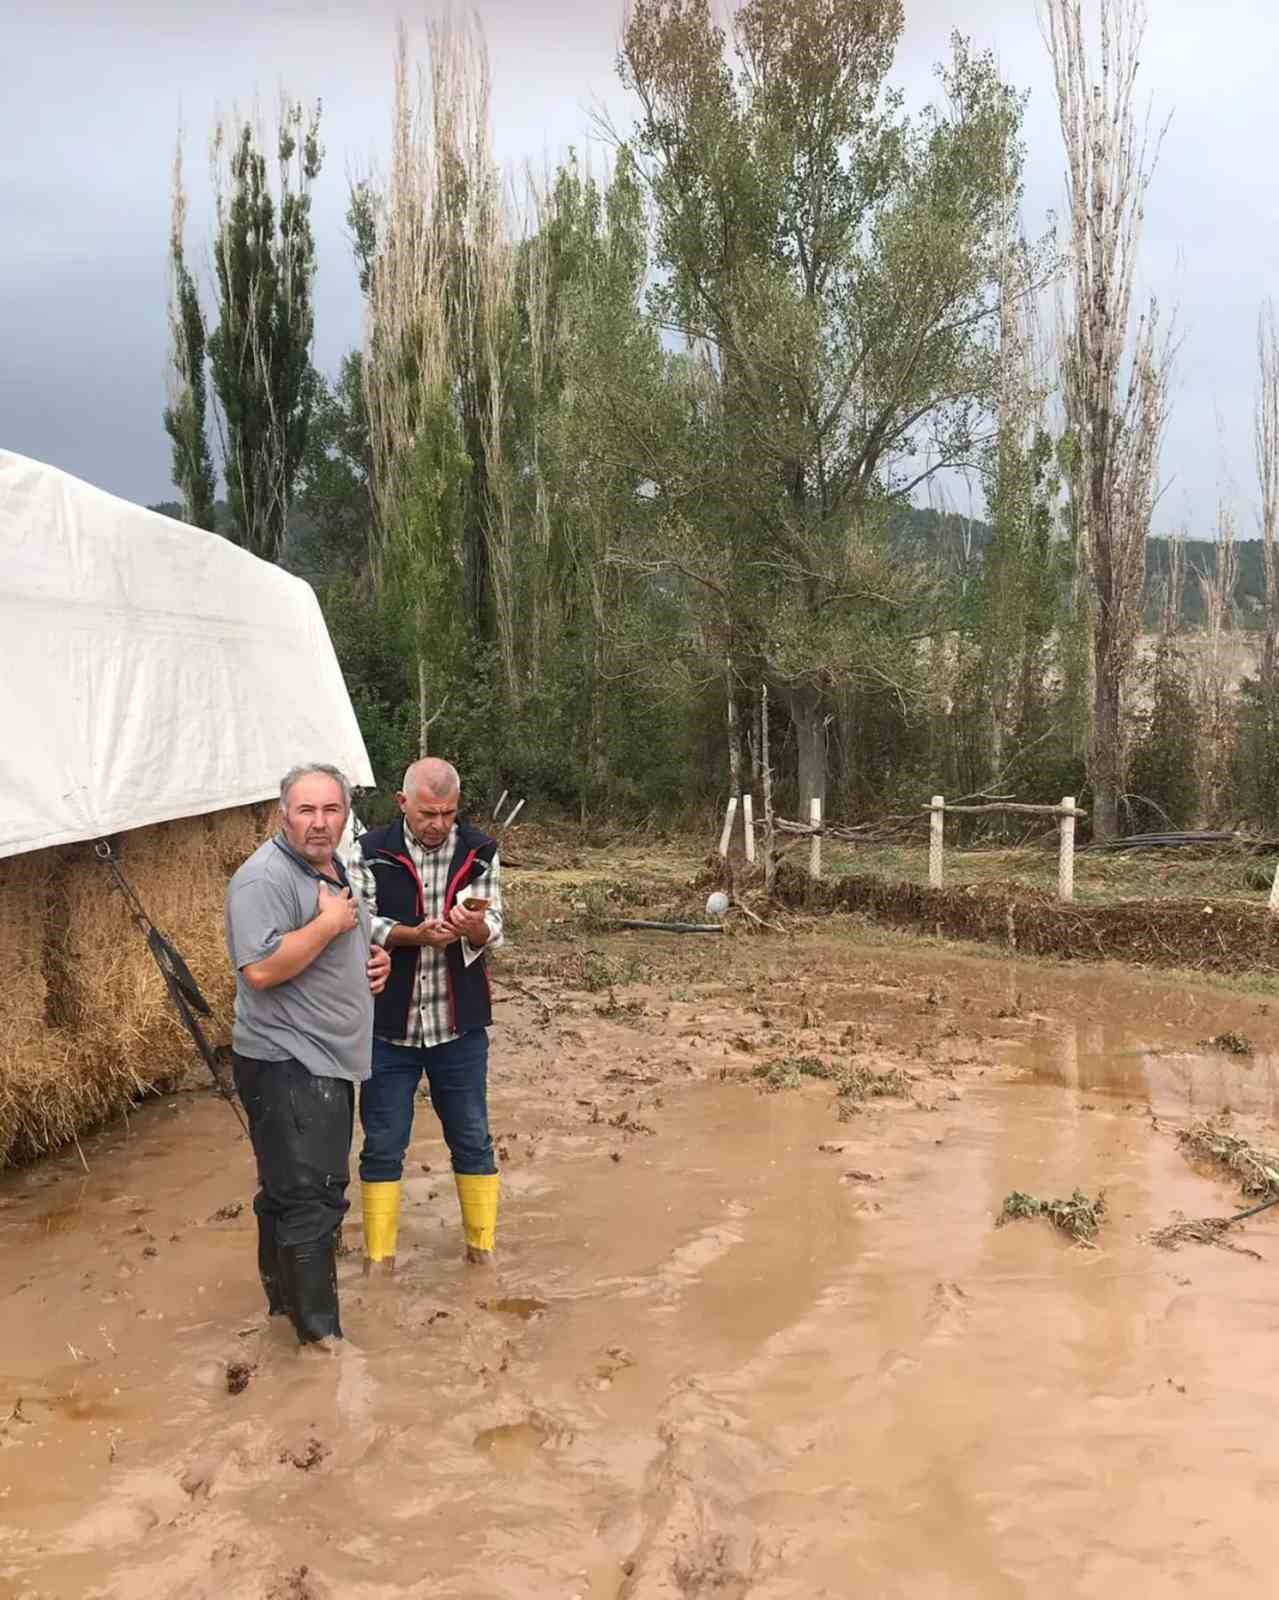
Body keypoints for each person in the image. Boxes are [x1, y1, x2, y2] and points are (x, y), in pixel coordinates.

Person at [224, 763, 391, 1348]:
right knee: (314, 1203)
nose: (320, 823)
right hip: (290, 1064)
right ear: (282, 815)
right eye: (306, 811)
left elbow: (341, 934)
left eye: (331, 810)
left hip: (322, 1061)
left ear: (345, 815)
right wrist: (327, 926)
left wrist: (371, 960)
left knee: (286, 1195)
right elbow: (263, 968)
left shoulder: (330, 865)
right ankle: (323, 1345)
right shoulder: (262, 880)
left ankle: (282, 1313)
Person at [346, 757, 504, 1271]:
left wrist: (470, 928)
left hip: (458, 1027)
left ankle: (481, 1255)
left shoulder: (480, 851)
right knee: (383, 1145)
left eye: (448, 814)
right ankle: (379, 1264)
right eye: (428, 814)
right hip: (388, 1029)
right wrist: (413, 935)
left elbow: (493, 924)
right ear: (402, 804)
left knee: (472, 1140)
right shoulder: (370, 852)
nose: (438, 825)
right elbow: (357, 921)